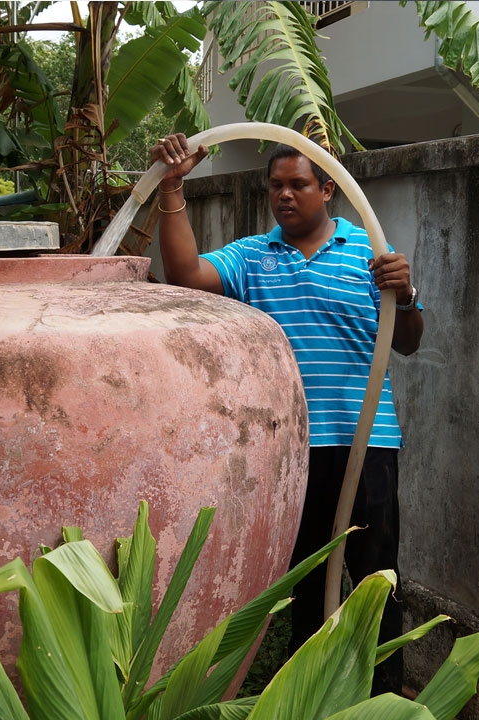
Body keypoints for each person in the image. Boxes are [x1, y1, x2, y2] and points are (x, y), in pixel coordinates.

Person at [150, 134, 424, 697]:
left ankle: (385, 698)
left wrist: (408, 293)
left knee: (377, 581)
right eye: (276, 185)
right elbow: (185, 276)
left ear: (328, 190)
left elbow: (409, 341)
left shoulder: (367, 252)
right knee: (303, 584)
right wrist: (172, 185)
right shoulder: (252, 257)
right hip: (292, 450)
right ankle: (303, 697)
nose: (285, 195)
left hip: (365, 443)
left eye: (298, 184)